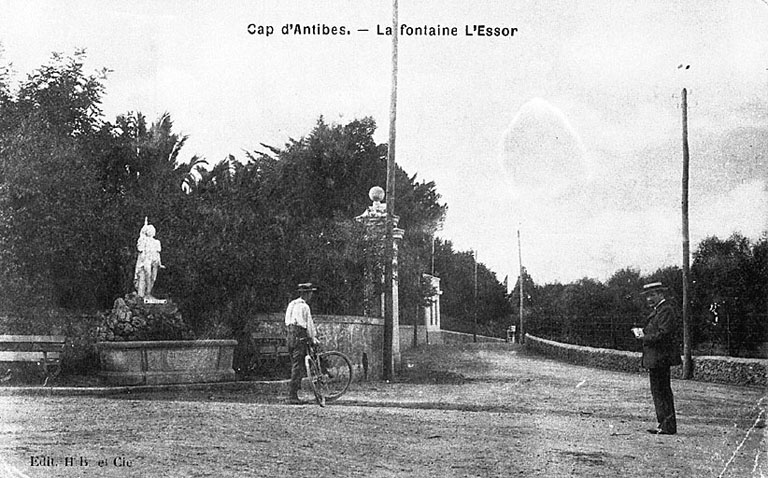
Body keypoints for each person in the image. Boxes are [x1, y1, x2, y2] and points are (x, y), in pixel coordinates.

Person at [634, 281, 682, 435]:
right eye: (647, 296)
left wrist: (644, 337)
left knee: (662, 391)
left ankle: (667, 426)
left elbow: (664, 334)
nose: (649, 299)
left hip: (661, 357)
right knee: (659, 391)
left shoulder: (665, 310)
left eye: (652, 295)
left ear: (661, 294)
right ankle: (664, 424)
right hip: (657, 357)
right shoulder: (659, 310)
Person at [284, 283, 319, 404]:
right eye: (310, 293)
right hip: (299, 336)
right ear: (306, 294)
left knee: (295, 364)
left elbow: (287, 322)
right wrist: (313, 338)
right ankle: (292, 396)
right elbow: (308, 325)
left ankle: (294, 393)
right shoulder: (305, 307)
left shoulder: (291, 304)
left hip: (290, 336)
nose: (311, 296)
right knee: (298, 366)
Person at [134, 218, 164, 300]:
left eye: (153, 230)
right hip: (146, 261)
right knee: (146, 275)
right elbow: (140, 246)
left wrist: (160, 263)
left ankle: (149, 293)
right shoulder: (144, 240)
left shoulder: (157, 242)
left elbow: (158, 254)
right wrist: (143, 228)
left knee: (153, 278)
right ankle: (144, 294)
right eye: (150, 230)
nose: (152, 232)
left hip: (154, 262)